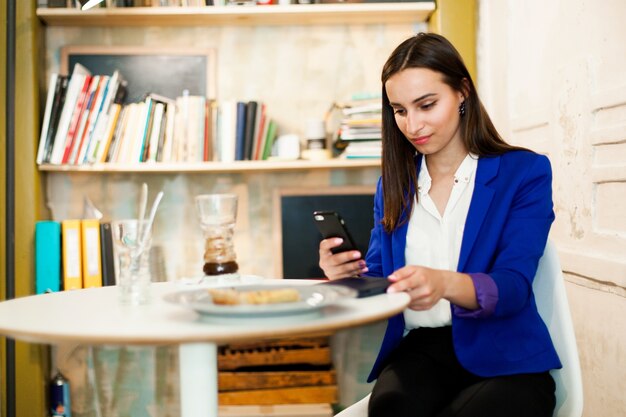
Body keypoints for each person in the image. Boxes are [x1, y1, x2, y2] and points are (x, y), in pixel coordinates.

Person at [319, 32, 561, 417]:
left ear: (462, 91)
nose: (413, 124)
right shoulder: (395, 184)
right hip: (421, 353)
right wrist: (345, 276)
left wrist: (443, 282)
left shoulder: (525, 173)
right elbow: (381, 280)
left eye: (426, 105)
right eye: (399, 110)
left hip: (507, 356)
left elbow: (512, 287)